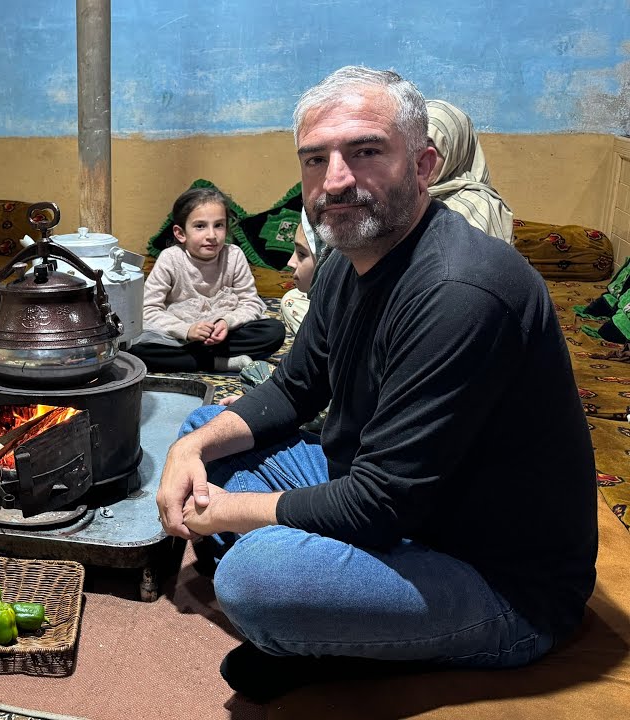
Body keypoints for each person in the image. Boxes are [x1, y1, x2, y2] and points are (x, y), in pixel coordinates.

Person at [157, 66, 596, 703]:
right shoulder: (349, 260)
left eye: (365, 152)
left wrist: (227, 515)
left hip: (497, 577)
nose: (335, 180)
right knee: (204, 431)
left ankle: (342, 641)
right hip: (390, 495)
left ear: (423, 166)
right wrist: (186, 453)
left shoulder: (459, 290)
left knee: (256, 578)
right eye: (315, 159)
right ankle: (338, 615)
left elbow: (380, 504)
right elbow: (293, 390)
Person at [128, 187, 286, 373]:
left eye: (218, 225)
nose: (211, 235)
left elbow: (251, 303)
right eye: (200, 226)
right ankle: (218, 363)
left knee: (273, 331)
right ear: (180, 233)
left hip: (223, 335)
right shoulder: (170, 258)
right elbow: (147, 310)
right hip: (180, 336)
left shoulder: (234, 255)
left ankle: (194, 359)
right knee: (136, 350)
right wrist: (187, 330)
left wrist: (226, 322)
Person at [426, 98, 514, 242]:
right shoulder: (403, 197)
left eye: (432, 148)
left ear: (456, 152)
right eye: (413, 146)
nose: (419, 158)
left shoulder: (479, 206)